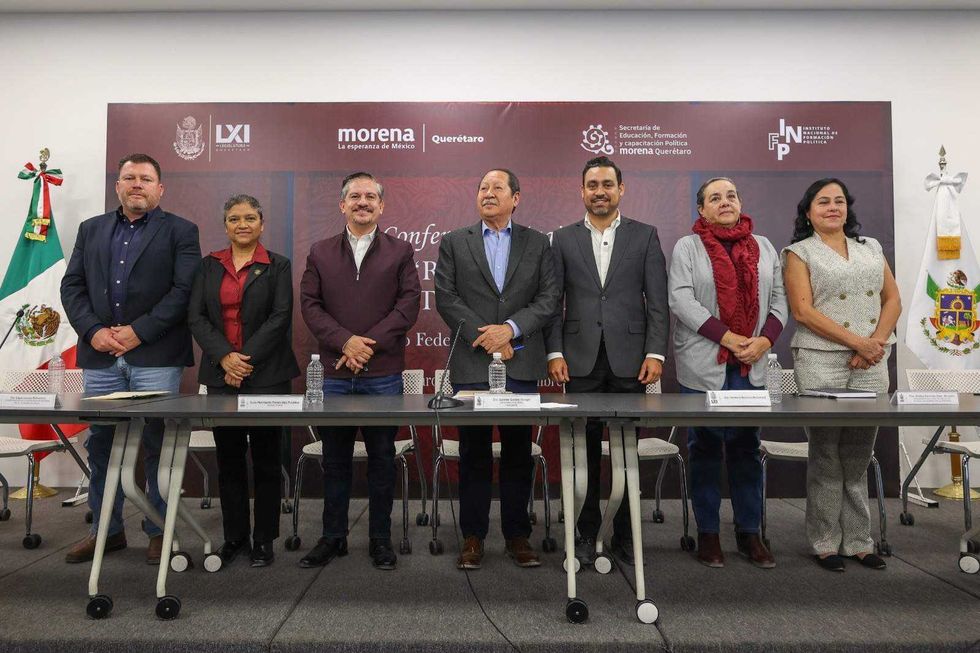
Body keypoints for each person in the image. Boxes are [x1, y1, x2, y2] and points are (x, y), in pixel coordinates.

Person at [60, 153, 201, 564]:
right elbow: (72, 287)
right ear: (117, 186)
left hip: (155, 355)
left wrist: (138, 332)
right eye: (129, 178)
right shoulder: (91, 230)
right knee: (101, 446)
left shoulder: (181, 231)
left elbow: (183, 291)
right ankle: (106, 529)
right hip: (101, 357)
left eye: (145, 178)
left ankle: (158, 529)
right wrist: (94, 332)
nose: (136, 184)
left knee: (158, 443)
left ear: (161, 188)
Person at [545, 156, 668, 566]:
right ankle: (584, 532)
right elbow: (553, 302)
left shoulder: (645, 236)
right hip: (578, 361)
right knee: (582, 452)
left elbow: (658, 303)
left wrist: (654, 352)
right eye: (592, 185)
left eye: (607, 184)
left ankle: (626, 536)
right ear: (581, 191)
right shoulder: (560, 239)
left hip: (630, 362)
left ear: (621, 189)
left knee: (624, 452)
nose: (600, 191)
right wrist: (555, 351)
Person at [434, 168, 559, 570]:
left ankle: (517, 535)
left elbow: (548, 297)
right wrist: (485, 336)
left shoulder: (538, 243)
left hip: (521, 361)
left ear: (516, 197)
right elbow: (446, 297)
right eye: (482, 187)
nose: (488, 193)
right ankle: (472, 536)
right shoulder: (454, 242)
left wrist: (509, 330)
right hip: (472, 361)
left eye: (497, 188)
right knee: (472, 452)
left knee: (518, 451)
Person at [299, 172, 420, 571]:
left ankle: (380, 539)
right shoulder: (319, 251)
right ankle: (333, 537)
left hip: (381, 373)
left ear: (382, 206)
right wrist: (344, 343)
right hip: (334, 373)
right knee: (334, 459)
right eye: (355, 196)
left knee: (382, 458)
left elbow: (407, 306)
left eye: (370, 196)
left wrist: (364, 346)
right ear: (342, 205)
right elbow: (310, 306)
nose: (362, 202)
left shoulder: (401, 251)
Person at [668, 177, 787, 569]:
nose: (725, 202)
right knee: (703, 448)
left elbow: (781, 301)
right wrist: (729, 337)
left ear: (740, 202)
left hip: (751, 364)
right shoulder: (688, 247)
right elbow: (681, 300)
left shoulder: (764, 246)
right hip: (705, 366)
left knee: (745, 448)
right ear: (701, 209)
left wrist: (764, 341)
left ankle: (749, 534)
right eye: (714, 198)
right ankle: (707, 534)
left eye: (731, 196)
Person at [782, 178, 900, 572]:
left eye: (838, 201)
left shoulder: (871, 248)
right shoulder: (798, 252)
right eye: (822, 202)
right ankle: (825, 542)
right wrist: (858, 343)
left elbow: (893, 299)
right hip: (822, 360)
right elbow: (803, 311)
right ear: (808, 211)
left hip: (871, 362)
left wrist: (876, 343)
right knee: (827, 455)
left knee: (858, 456)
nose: (832, 207)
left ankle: (860, 542)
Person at [187, 194, 299, 568]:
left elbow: (280, 317)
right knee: (229, 460)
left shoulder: (278, 266)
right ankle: (234, 536)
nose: (242, 224)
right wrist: (225, 358)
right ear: (226, 226)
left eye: (250, 217)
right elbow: (197, 317)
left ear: (262, 223)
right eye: (234, 218)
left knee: (267, 460)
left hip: (267, 376)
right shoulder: (208, 266)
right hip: (222, 376)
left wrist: (244, 361)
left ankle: (264, 539)